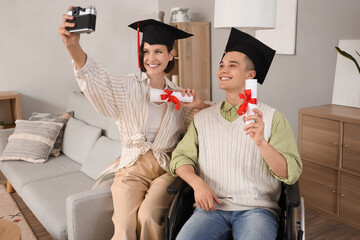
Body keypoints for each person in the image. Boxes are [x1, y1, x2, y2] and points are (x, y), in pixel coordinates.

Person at [59, 8, 210, 240]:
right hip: (132, 166)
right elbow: (98, 80)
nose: (151, 58)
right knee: (124, 224)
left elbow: (211, 122)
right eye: (146, 51)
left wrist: (199, 105)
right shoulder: (128, 87)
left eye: (158, 52)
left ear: (171, 55)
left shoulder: (180, 95)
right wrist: (73, 47)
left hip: (166, 166)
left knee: (149, 216)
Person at [170, 28, 303, 240]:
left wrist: (261, 142)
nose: (223, 69)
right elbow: (180, 158)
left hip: (257, 210)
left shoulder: (273, 118)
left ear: (250, 75)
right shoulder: (203, 117)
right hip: (210, 208)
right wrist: (198, 184)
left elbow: (291, 173)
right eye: (221, 65)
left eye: (232, 65)